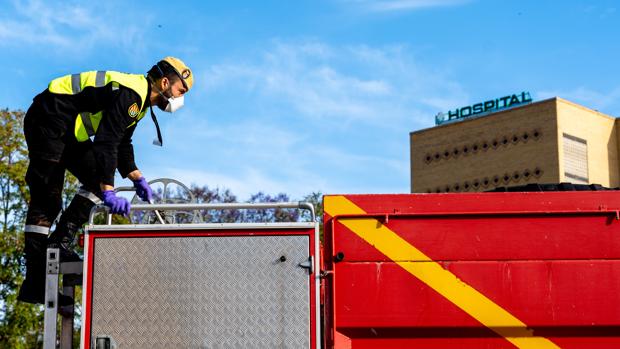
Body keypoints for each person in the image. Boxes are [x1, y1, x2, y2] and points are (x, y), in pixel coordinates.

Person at [18, 57, 193, 305]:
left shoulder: (139, 103)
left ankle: (58, 244)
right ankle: (34, 283)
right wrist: (109, 190)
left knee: (95, 179)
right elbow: (106, 141)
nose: (181, 98)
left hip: (68, 129)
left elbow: (122, 144)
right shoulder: (131, 94)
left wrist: (137, 177)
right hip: (48, 119)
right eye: (181, 90)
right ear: (165, 83)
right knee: (48, 199)